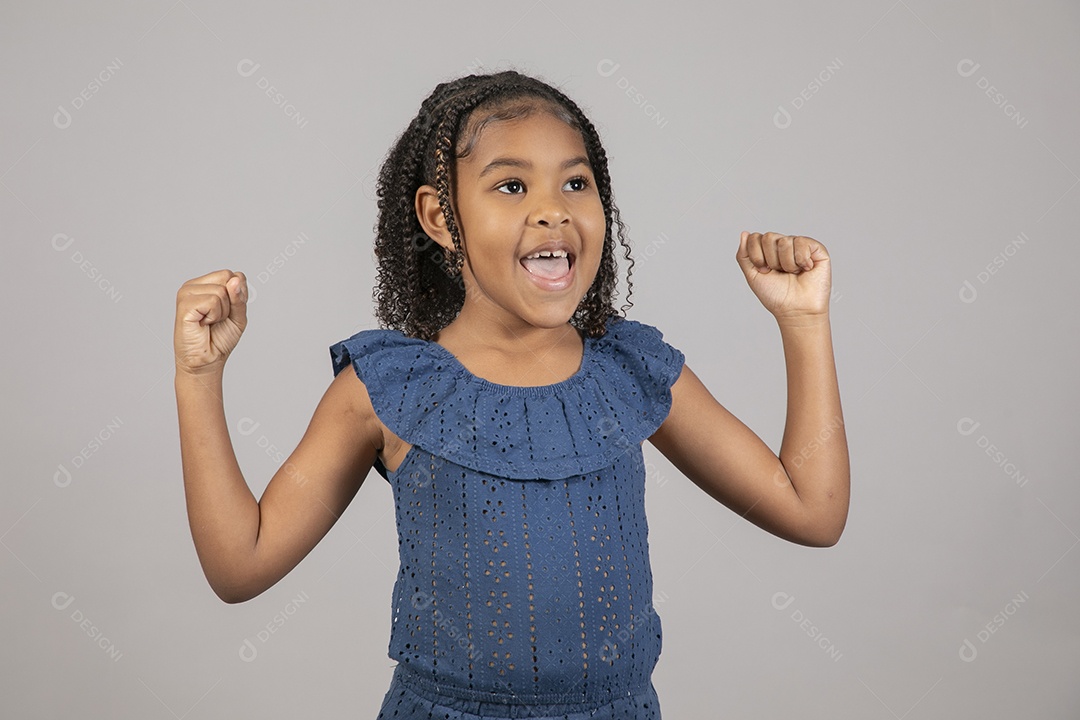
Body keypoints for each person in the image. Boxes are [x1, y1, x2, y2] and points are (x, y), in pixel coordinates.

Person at [173, 69, 849, 720]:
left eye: (576, 182)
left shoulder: (630, 372)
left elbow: (812, 513)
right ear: (440, 217)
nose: (553, 210)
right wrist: (198, 378)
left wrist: (804, 323)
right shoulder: (389, 389)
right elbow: (240, 566)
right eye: (512, 186)